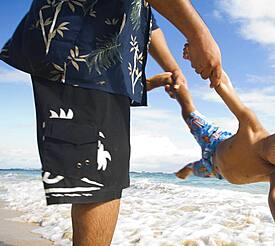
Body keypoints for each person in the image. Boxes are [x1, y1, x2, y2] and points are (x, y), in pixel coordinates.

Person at [0, 1, 222, 245]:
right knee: (99, 183)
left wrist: (174, 68)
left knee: (106, 180)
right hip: (84, 48)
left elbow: (145, 14)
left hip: (106, 62)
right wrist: (199, 34)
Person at [147, 54, 275, 246]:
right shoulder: (251, 127)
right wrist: (209, 63)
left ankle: (188, 169)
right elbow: (226, 87)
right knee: (187, 111)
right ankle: (172, 81)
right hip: (213, 141)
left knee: (195, 169)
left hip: (216, 171)